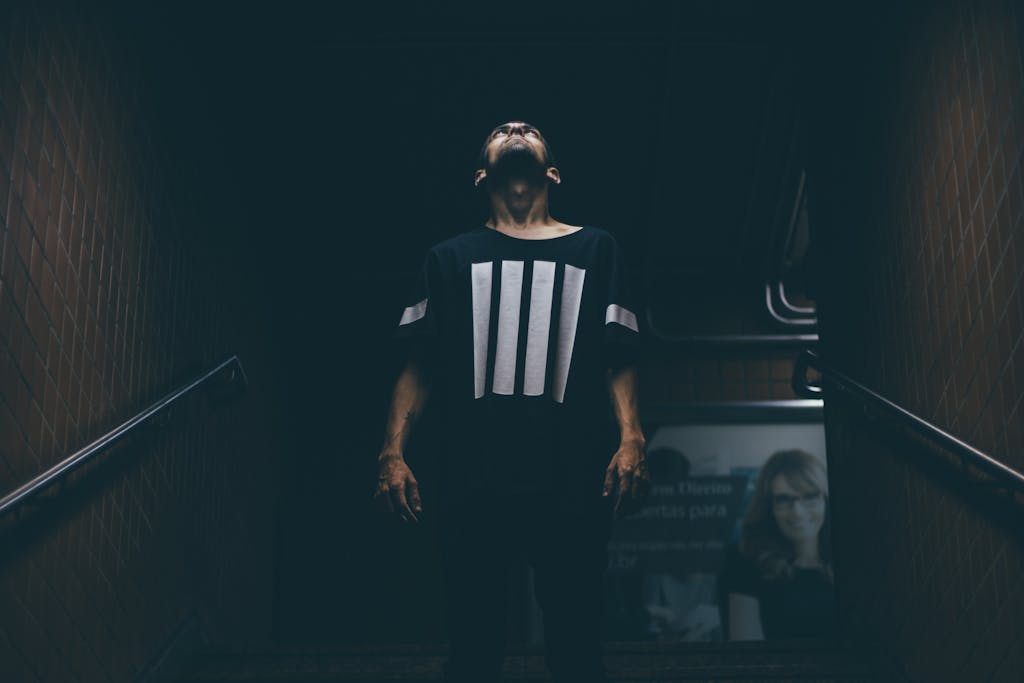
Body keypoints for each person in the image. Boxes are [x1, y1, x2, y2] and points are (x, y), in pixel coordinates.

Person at [373, 120, 650, 683]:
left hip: (571, 471)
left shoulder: (597, 248)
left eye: (528, 130)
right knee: (474, 645)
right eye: (502, 131)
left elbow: (617, 357)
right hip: (472, 472)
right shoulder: (447, 259)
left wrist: (631, 437)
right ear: (481, 175)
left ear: (552, 172)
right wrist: (392, 452)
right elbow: (418, 366)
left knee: (576, 641)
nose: (516, 129)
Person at [720, 448, 838, 641]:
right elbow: (747, 650)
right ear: (769, 507)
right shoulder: (744, 564)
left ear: (825, 500)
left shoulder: (851, 560)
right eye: (783, 499)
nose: (798, 512)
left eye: (810, 497)